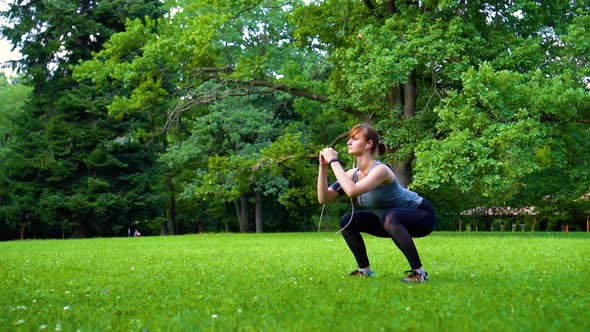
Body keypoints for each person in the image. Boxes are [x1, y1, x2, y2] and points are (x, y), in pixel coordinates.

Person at [317, 123, 436, 283]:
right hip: (388, 221)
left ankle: (420, 273)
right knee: (347, 221)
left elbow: (352, 191)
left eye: (355, 138)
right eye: (349, 139)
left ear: (369, 144)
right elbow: (324, 198)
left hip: (422, 216)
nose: (348, 142)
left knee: (390, 216)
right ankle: (364, 270)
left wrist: (334, 161)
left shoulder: (380, 170)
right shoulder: (352, 174)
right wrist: (323, 167)